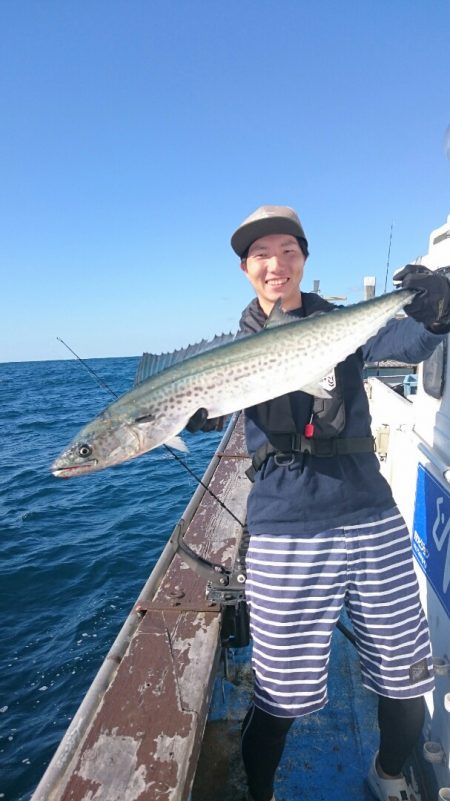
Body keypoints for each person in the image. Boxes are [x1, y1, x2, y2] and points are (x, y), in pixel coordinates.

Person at [191, 205, 450, 801]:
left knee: (406, 677)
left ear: (304, 259)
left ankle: (388, 776)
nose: (275, 263)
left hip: (372, 516)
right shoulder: (229, 353)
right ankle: (260, 794)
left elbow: (405, 337)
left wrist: (439, 312)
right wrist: (197, 414)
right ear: (245, 268)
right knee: (279, 695)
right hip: (286, 527)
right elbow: (198, 407)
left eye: (288, 250)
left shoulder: (342, 323)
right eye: (262, 254)